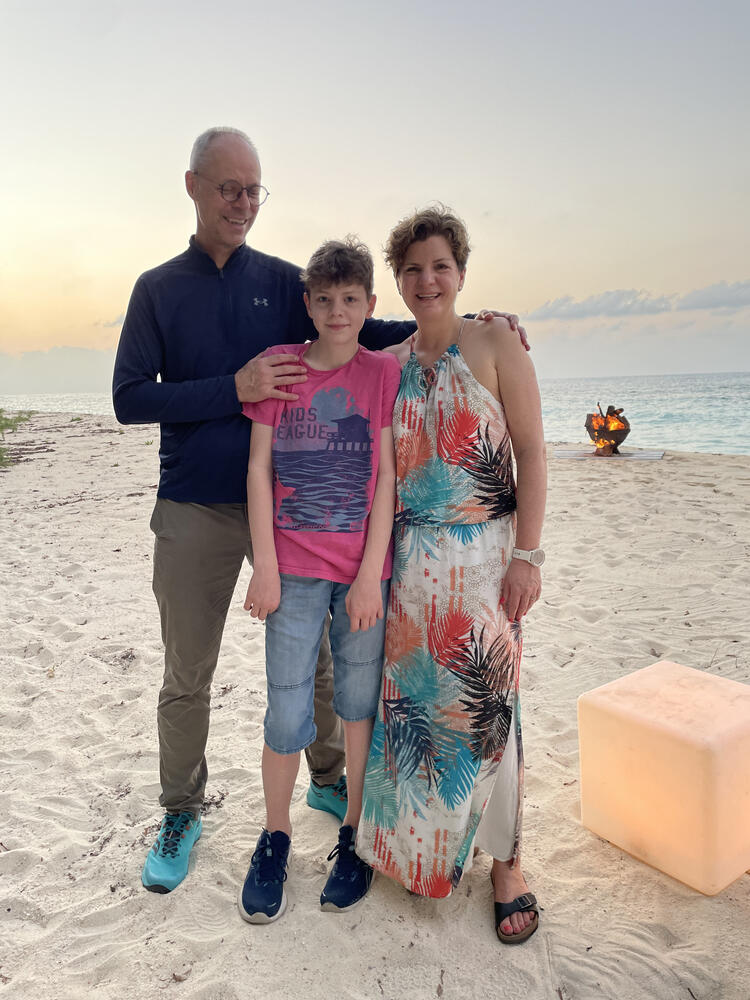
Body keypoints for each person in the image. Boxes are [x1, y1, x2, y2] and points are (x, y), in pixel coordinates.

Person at [113, 126, 525, 896]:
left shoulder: (282, 282)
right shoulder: (157, 289)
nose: (242, 202)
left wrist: (468, 322)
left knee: (331, 667)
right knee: (189, 670)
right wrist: (232, 389)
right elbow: (129, 398)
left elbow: (363, 329)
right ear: (193, 186)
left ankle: (331, 784)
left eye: (253, 189)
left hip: (300, 520)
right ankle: (180, 811)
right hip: (198, 504)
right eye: (228, 187)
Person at [356, 206, 547, 944]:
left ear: (461, 272)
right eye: (412, 269)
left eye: (440, 265)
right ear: (398, 281)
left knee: (491, 710)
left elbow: (532, 453)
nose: (427, 279)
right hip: (412, 566)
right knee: (419, 712)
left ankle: (508, 865)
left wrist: (528, 556)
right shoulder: (389, 362)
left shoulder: (497, 342)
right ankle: (420, 850)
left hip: (488, 563)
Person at [237, 238, 399, 922]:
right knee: (286, 708)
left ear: (369, 304)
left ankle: (353, 835)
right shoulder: (282, 367)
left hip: (362, 575)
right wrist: (266, 566)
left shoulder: (380, 373)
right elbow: (258, 469)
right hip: (294, 571)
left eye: (350, 299)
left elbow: (387, 477)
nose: (337, 311)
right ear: (308, 303)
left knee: (358, 707)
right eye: (325, 299)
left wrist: (369, 576)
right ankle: (275, 837)